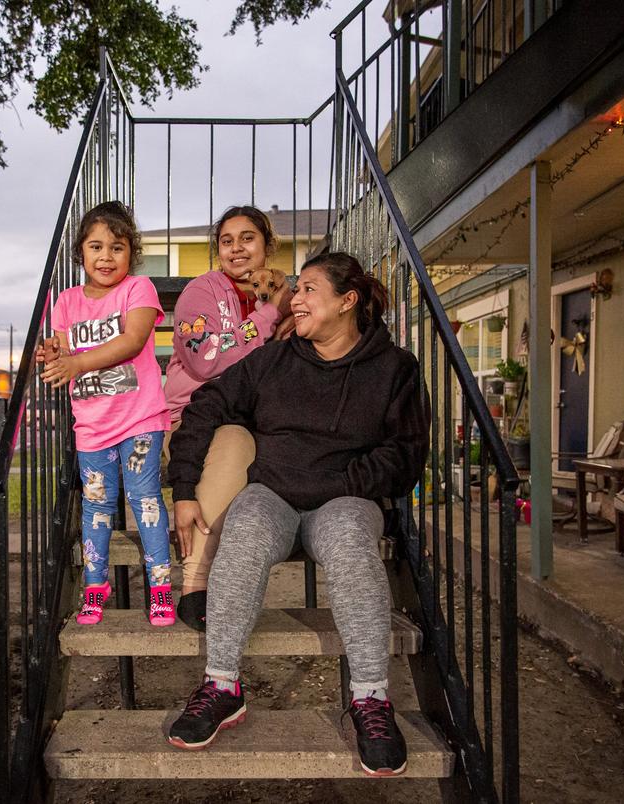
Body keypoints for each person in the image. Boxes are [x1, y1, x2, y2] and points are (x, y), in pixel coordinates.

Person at [165, 252, 428, 776]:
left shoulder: (395, 368)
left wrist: (341, 483)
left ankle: (371, 698)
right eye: (297, 289)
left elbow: (403, 456)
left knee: (354, 541)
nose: (295, 299)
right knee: (245, 524)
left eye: (308, 289)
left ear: (347, 301)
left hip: (346, 500)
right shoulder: (274, 360)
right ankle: (222, 685)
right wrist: (185, 487)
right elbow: (207, 405)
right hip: (275, 495)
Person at [38, 201, 174, 627]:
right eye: (95, 246)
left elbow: (133, 341)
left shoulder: (138, 290)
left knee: (145, 499)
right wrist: (52, 353)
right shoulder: (66, 301)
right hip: (92, 426)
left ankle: (160, 589)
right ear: (81, 252)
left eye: (116, 247)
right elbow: (61, 349)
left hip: (139, 419)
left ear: (130, 253)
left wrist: (77, 364)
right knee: (95, 507)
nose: (105, 257)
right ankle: (96, 587)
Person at [164, 205, 293, 630]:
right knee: (235, 442)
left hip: (260, 422)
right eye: (226, 240)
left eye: (248, 238)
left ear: (268, 246)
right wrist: (269, 315)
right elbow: (205, 360)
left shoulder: (290, 294)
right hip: (192, 419)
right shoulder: (201, 292)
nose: (236, 248)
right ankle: (197, 582)